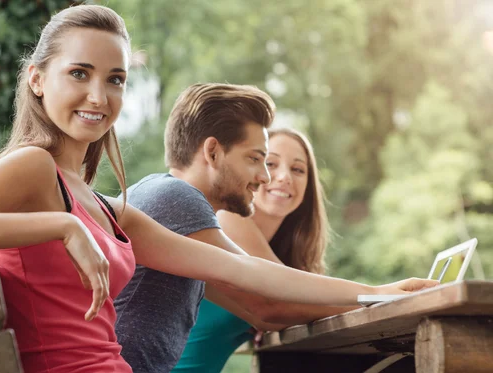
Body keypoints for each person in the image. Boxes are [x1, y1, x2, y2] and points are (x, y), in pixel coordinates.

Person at [0, 5, 437, 373]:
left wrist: (381, 293)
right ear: (38, 79)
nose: (99, 95)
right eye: (79, 73)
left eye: (114, 79)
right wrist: (59, 225)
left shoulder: (112, 213)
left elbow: (246, 270)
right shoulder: (34, 169)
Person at [113, 83, 437, 373]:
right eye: (256, 159)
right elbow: (260, 293)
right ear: (212, 152)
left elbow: (259, 306)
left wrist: (378, 296)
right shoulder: (176, 197)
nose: (265, 177)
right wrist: (376, 295)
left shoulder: (163, 202)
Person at [174, 128, 353, 373]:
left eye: (297, 169)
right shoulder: (226, 219)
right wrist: (375, 300)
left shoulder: (283, 260)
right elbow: (277, 304)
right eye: (270, 163)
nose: (283, 177)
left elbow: (280, 308)